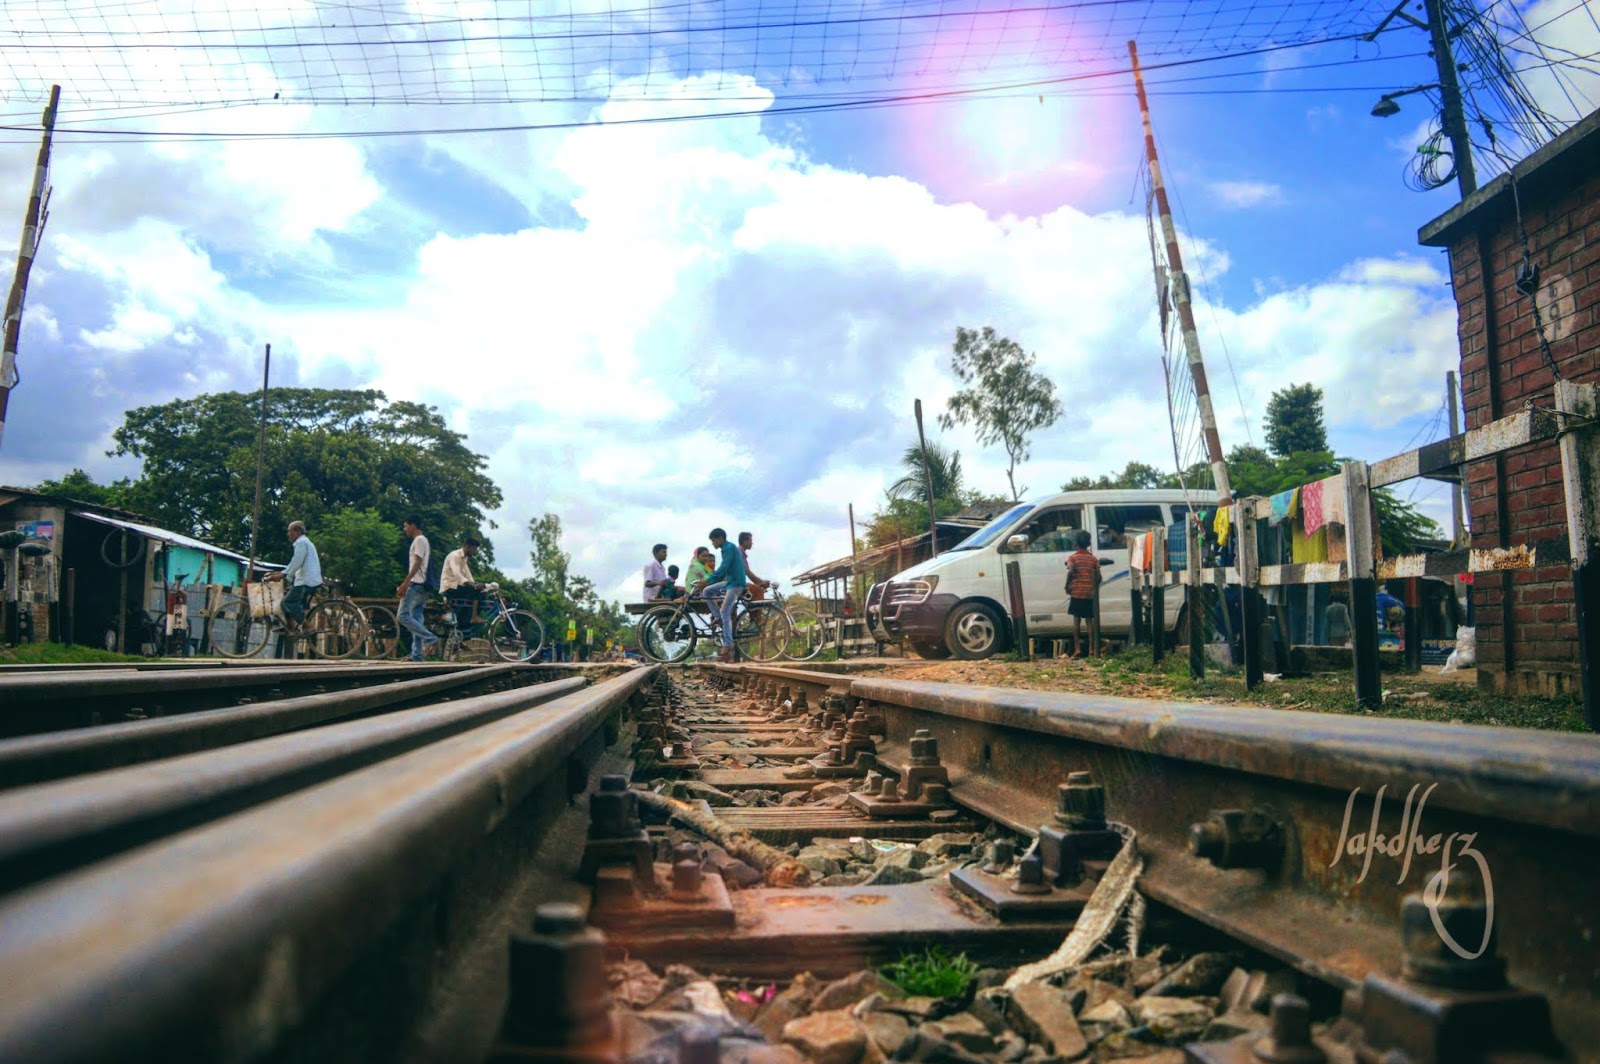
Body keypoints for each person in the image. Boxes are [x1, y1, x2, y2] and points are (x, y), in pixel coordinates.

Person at [699, 527, 747, 662]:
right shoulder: (725, 549)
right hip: (730, 582)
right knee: (707, 591)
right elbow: (724, 570)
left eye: (714, 540)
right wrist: (709, 583)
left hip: (736, 583)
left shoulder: (729, 548)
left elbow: (724, 567)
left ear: (720, 539)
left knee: (725, 611)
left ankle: (727, 645)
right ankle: (718, 618)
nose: (713, 543)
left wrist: (708, 580)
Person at [396, 515, 440, 661]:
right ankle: (417, 655)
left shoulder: (419, 540)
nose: (404, 529)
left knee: (402, 616)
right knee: (416, 617)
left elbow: (417, 563)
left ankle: (430, 639)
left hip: (416, 584)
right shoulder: (422, 540)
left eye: (406, 526)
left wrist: (405, 583)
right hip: (422, 585)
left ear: (413, 525)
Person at [263, 521, 321, 630]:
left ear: (298, 532)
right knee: (288, 598)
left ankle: (308, 625)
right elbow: (295, 563)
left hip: (306, 581)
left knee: (287, 602)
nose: (288, 534)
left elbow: (296, 562)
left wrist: (283, 574)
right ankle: (290, 628)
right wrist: (282, 573)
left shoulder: (301, 543)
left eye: (290, 531)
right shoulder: (304, 542)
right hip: (308, 579)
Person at [1064, 529, 1100, 659]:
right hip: (1089, 593)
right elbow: (1099, 577)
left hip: (1077, 593)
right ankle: (1091, 649)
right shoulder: (1093, 559)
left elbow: (1070, 570)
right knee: (1089, 621)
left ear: (1076, 544)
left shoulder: (1073, 558)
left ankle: (1077, 649)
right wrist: (1093, 586)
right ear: (1088, 543)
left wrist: (1067, 585)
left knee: (1076, 621)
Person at [441, 536, 487, 631]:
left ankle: (465, 623)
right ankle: (474, 617)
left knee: (481, 594)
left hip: (457, 587)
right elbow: (457, 574)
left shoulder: (464, 559)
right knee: (475, 592)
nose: (474, 552)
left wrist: (477, 585)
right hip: (450, 587)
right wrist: (474, 586)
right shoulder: (455, 556)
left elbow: (468, 575)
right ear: (467, 546)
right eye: (473, 549)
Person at [738, 531, 772, 600]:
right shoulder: (739, 553)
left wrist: (760, 582)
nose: (752, 543)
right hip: (736, 584)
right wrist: (761, 582)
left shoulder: (741, 553)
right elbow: (747, 572)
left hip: (738, 583)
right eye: (750, 540)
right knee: (759, 591)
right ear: (745, 541)